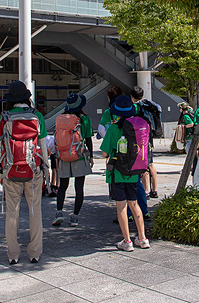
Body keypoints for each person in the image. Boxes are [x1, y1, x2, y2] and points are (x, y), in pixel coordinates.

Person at [0, 80, 51, 265]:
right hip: (34, 169)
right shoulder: (37, 116)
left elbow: (0, 147)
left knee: (12, 212)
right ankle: (35, 252)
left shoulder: (4, 117)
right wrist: (46, 169)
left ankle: (13, 254)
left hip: (11, 169)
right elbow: (43, 144)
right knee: (35, 210)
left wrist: (1, 173)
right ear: (27, 97)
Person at [101, 94, 150, 251]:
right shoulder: (137, 128)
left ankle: (127, 241)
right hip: (133, 171)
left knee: (121, 206)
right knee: (134, 204)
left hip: (117, 172)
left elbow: (105, 153)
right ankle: (142, 238)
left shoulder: (114, 129)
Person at [52, 93, 93, 227]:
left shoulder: (61, 118)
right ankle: (75, 217)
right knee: (79, 187)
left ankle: (59, 212)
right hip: (79, 155)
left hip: (64, 155)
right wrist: (91, 156)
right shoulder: (84, 119)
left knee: (62, 186)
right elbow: (88, 139)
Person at [131, 86, 159, 198]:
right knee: (150, 163)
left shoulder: (134, 107)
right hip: (149, 138)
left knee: (142, 164)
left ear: (131, 96)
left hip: (139, 139)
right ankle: (154, 190)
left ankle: (145, 191)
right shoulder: (147, 105)